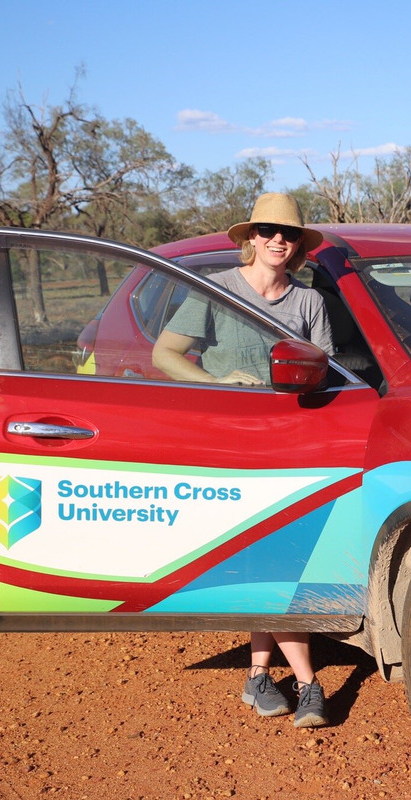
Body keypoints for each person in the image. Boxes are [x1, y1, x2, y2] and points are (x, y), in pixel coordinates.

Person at [152, 192, 331, 728]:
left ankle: (257, 676)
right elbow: (163, 354)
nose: (279, 239)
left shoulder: (308, 303)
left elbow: (323, 372)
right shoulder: (217, 292)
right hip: (227, 445)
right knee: (274, 562)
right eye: (269, 230)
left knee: (268, 559)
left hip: (288, 444)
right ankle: (308, 682)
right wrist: (216, 382)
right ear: (250, 237)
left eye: (290, 232)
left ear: (298, 244)